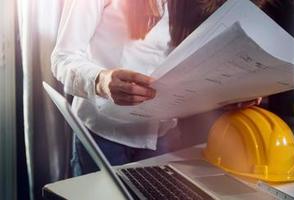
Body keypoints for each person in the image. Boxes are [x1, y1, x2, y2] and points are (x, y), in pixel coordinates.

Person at [51, 0, 273, 175]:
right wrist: (100, 81)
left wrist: (232, 92)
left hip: (164, 138)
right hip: (102, 136)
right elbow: (62, 58)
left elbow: (199, 64)